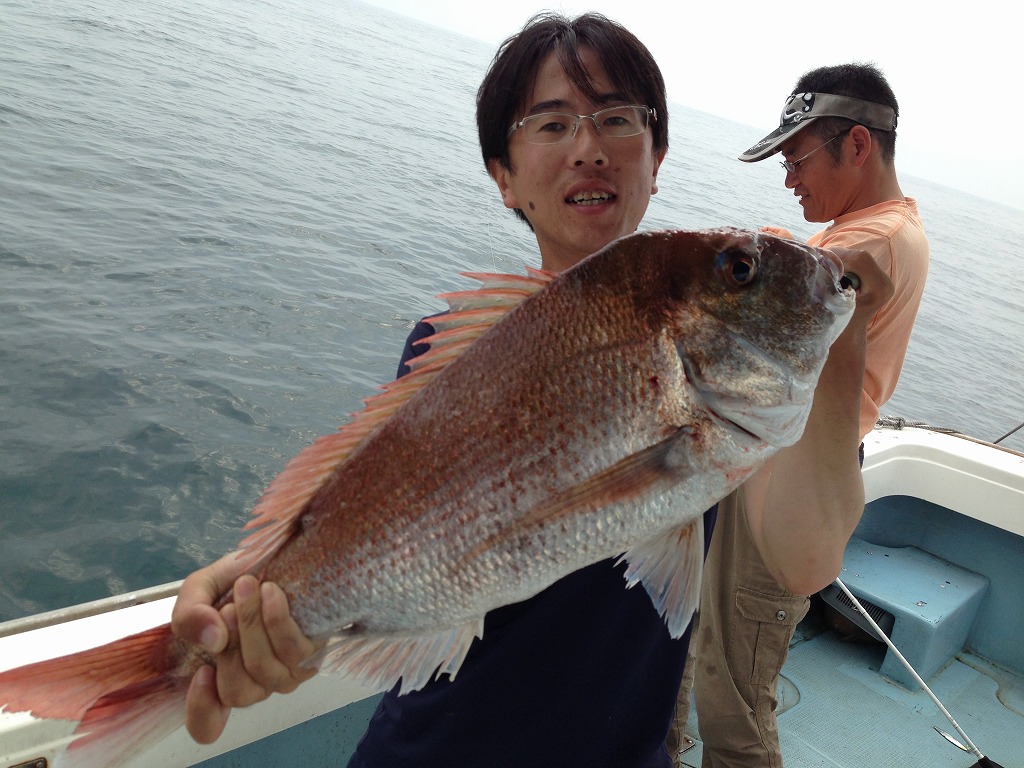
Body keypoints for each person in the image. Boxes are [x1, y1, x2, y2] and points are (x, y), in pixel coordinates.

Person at [170, 19, 894, 768]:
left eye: (618, 118)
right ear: (503, 175)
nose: (589, 146)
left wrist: (844, 327)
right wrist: (266, 587)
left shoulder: (740, 408)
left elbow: (806, 562)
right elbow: (369, 514)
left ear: (656, 158)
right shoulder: (446, 348)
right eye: (552, 123)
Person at [669, 64, 929, 767]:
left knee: (735, 695)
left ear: (858, 147)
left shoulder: (868, 245)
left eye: (796, 158)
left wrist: (771, 263)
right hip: (764, 460)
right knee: (695, 643)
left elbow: (820, 287)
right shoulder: (875, 229)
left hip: (795, 482)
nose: (788, 177)